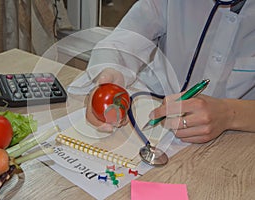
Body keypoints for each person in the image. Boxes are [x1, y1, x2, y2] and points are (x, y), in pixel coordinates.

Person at [68, 0, 255, 144]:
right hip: (154, 117)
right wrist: (108, 77)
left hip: (236, 141)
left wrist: (230, 114)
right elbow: (126, 40)